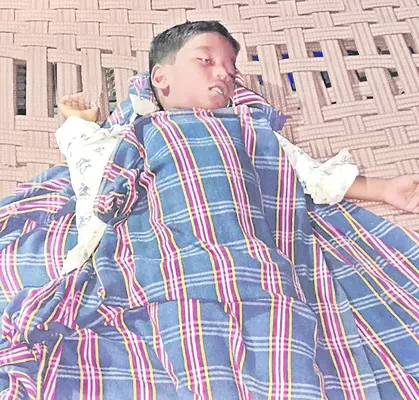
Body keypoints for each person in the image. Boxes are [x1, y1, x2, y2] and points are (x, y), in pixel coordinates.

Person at [0, 21, 418, 399]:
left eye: (231, 70)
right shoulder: (140, 130)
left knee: (277, 329)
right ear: (160, 78)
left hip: (251, 259)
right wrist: (79, 122)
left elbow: (309, 174)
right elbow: (91, 169)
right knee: (179, 333)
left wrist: (385, 189)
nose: (223, 74)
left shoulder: (248, 128)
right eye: (207, 61)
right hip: (168, 259)